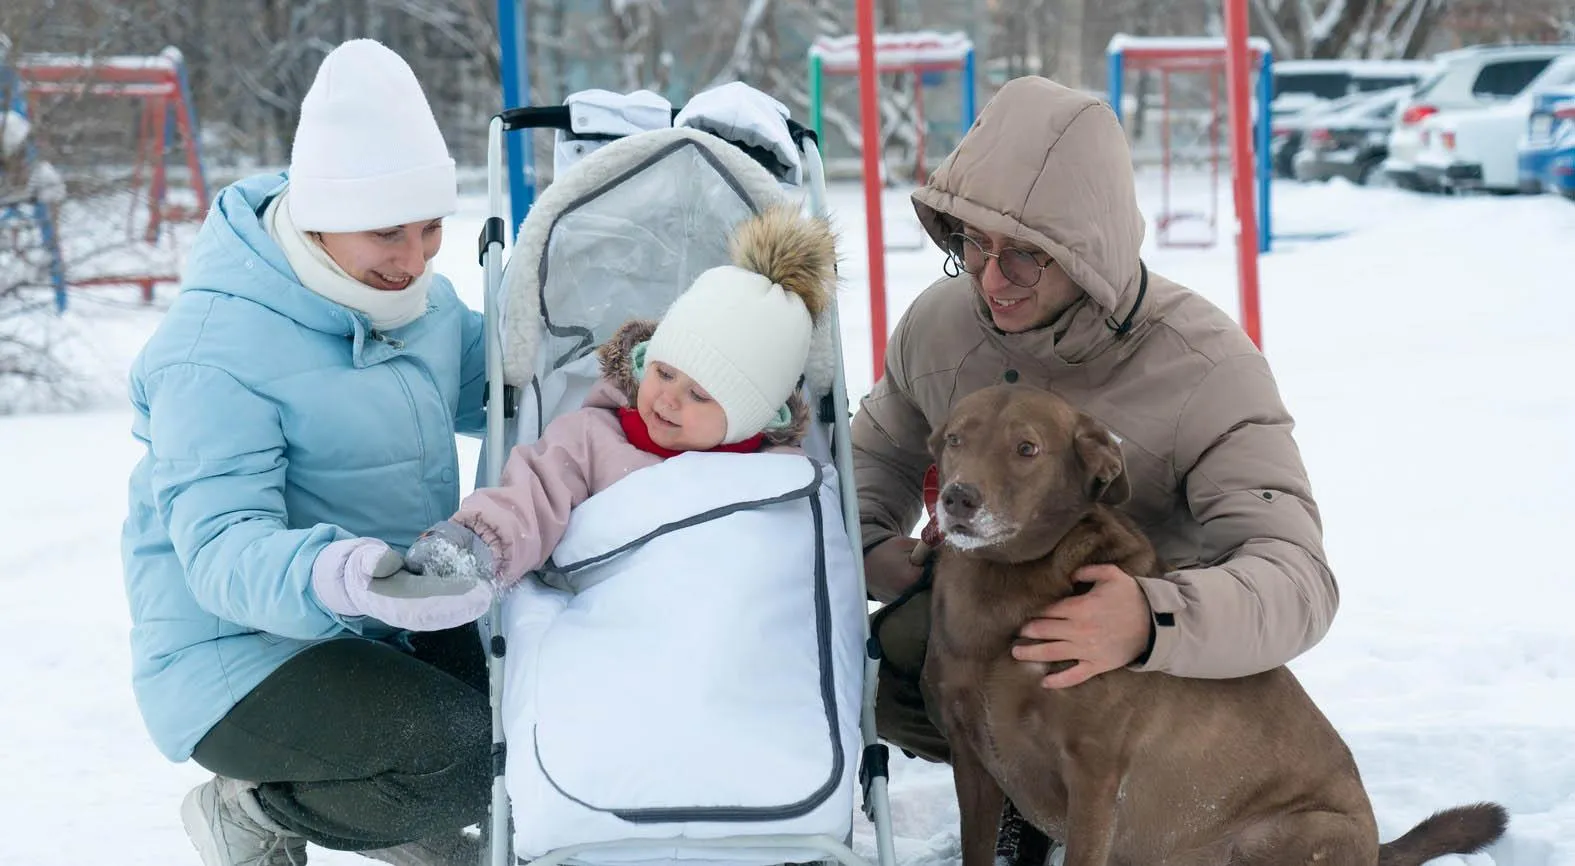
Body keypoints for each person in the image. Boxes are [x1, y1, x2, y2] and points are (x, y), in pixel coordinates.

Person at [853, 76, 1339, 861]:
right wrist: (891, 557)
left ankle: (1153, 814)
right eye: (971, 242)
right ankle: (1026, 799)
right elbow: (867, 467)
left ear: (1087, 253)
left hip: (1150, 675)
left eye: (1025, 258)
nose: (988, 278)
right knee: (893, 658)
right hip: (1000, 611)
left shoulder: (1205, 369)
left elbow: (1296, 581)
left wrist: (1154, 618)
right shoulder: (939, 327)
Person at [120, 39, 495, 866]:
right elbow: (219, 553)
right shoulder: (214, 352)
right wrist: (345, 575)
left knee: (525, 712)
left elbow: (501, 388)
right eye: (387, 233)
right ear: (318, 215)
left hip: (384, 613)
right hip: (236, 654)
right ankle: (251, 812)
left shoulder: (416, 305)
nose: (413, 259)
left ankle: (404, 808)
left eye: (431, 229)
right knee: (458, 753)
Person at [404, 203, 837, 594]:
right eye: (663, 373)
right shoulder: (594, 437)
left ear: (752, 418)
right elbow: (532, 496)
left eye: (699, 395)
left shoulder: (782, 477)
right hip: (614, 613)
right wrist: (479, 542)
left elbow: (799, 570)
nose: (667, 400)